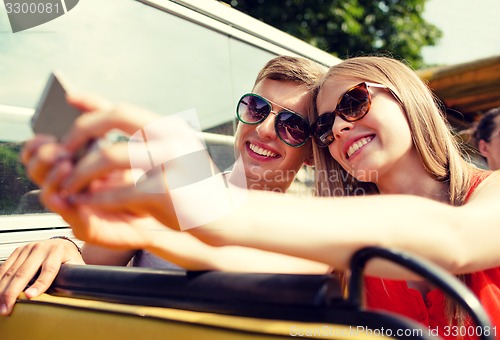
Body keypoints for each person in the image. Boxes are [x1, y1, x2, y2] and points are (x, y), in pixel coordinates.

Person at [29, 56, 500, 337]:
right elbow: (219, 253)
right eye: (324, 123)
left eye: (354, 103)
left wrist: (208, 204)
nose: (337, 126)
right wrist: (92, 239)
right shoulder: (332, 240)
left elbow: (452, 239)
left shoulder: (490, 192)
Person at [0, 55, 330, 316]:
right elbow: (91, 261)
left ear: (312, 154)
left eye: (292, 125)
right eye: (256, 108)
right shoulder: (166, 187)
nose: (265, 129)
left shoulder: (313, 232)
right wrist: (64, 247)